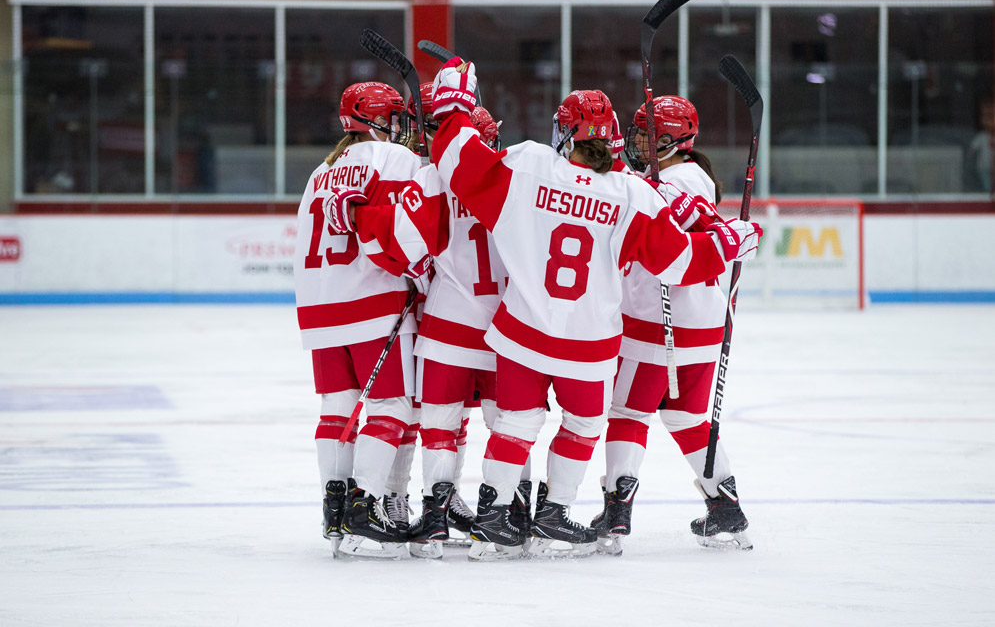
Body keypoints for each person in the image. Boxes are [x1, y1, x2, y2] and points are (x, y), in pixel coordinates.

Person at [427, 59, 762, 561]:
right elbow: (677, 263)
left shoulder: (528, 165)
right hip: (589, 344)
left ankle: (494, 516)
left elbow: (456, 160)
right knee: (582, 426)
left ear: (564, 133)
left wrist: (454, 101)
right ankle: (554, 514)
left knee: (516, 424)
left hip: (521, 329)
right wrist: (732, 240)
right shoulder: (631, 195)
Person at [325, 98, 527, 558]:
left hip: (447, 323)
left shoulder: (432, 178)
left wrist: (356, 217)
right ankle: (512, 515)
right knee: (510, 424)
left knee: (434, 424)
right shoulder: (514, 180)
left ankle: (433, 520)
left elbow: (399, 244)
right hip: (506, 326)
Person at [593, 95, 754, 554]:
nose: (637, 141)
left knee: (627, 414)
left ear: (670, 140)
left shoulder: (685, 178)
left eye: (646, 133)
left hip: (657, 322)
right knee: (686, 418)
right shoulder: (668, 176)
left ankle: (616, 513)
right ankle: (725, 508)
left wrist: (649, 190)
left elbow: (681, 220)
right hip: (700, 326)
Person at [292, 81, 427, 560]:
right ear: (379, 120)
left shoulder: (320, 169)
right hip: (372, 300)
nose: (402, 126)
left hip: (319, 305)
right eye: (394, 116)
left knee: (337, 411)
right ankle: (365, 510)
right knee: (392, 408)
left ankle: (335, 510)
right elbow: (399, 232)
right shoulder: (394, 161)